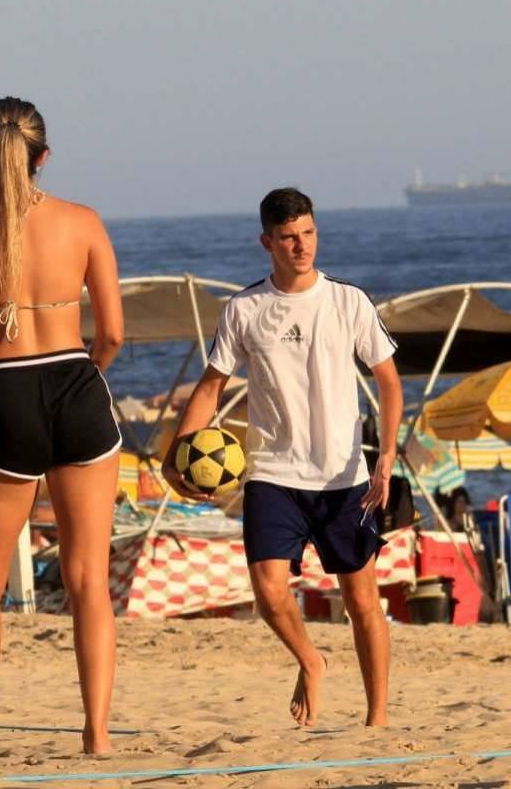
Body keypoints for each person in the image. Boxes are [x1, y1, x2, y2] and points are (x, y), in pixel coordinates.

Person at [0, 97, 124, 765]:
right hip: (75, 386)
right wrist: (79, 376)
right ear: (44, 156)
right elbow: (115, 334)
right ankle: (96, 737)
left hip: (8, 391)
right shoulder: (84, 222)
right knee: (88, 578)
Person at [163, 188, 402, 728]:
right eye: (290, 237)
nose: (301, 246)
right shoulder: (245, 308)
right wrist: (174, 457)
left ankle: (377, 718)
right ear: (267, 241)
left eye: (309, 233)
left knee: (362, 599)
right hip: (272, 470)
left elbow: (388, 383)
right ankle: (311, 659)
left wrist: (385, 457)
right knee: (269, 592)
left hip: (345, 475)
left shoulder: (349, 301)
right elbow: (210, 386)